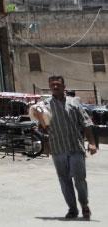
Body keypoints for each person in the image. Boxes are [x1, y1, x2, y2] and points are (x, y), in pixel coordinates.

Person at [43, 74, 97, 220]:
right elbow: (43, 126)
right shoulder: (45, 105)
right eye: (52, 85)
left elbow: (86, 123)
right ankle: (72, 209)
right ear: (50, 87)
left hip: (75, 147)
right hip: (58, 148)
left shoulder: (74, 103)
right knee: (64, 180)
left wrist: (92, 143)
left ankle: (84, 206)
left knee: (79, 179)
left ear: (64, 87)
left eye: (58, 84)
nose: (55, 87)